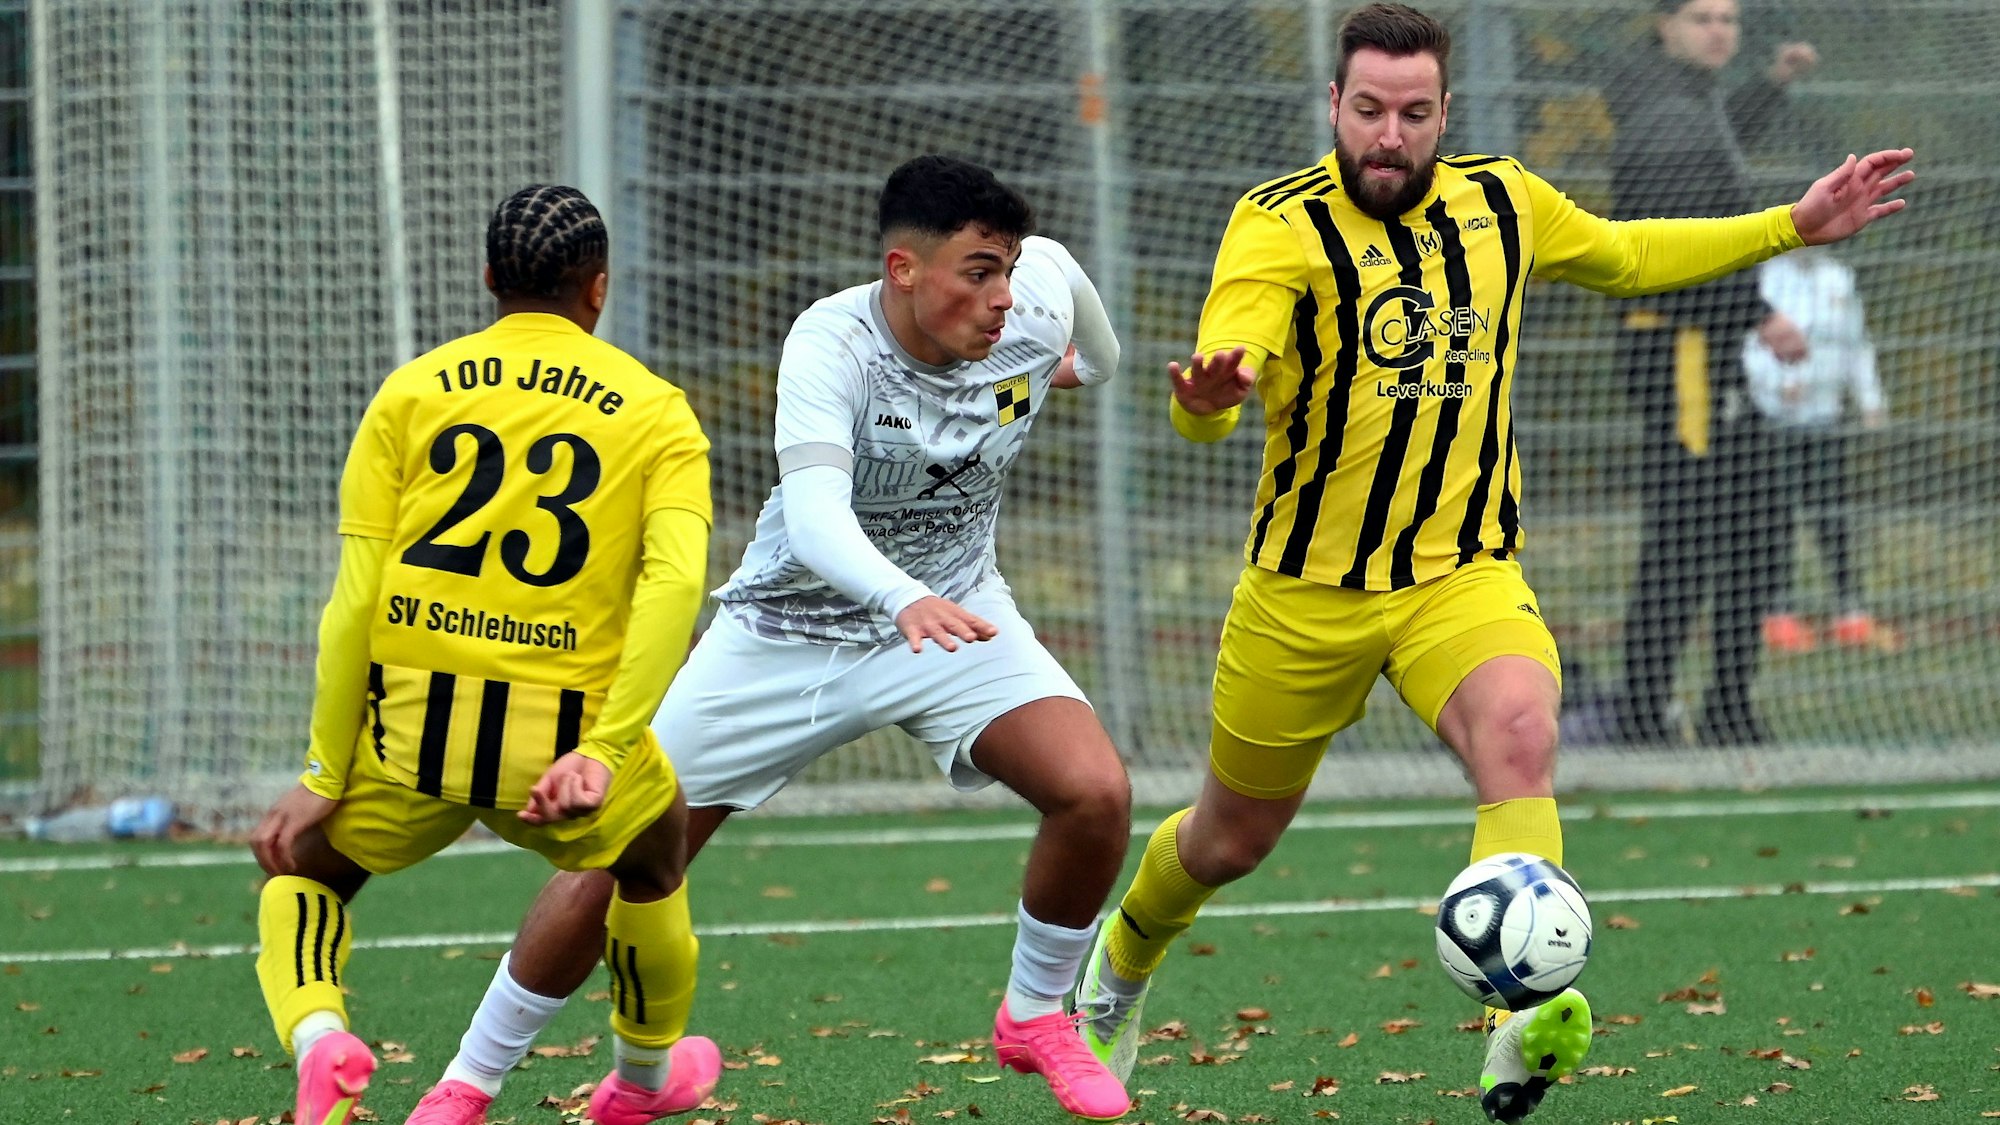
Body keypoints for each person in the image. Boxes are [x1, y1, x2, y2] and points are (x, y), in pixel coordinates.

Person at [1064, 4, 1912, 1124]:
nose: (1387, 134)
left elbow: (1623, 253)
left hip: (1458, 577)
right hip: (1302, 594)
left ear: (1442, 114)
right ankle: (1112, 977)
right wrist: (1209, 407)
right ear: (1333, 105)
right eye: (1367, 110)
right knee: (1228, 839)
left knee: (1518, 733)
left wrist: (1787, 227)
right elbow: (1227, 374)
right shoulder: (1274, 225)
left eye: (1412, 114)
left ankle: (1518, 1021)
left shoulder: (1502, 199)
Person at [407, 154, 1135, 1124]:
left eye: (1005, 270)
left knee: (1094, 792)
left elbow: (1080, 311)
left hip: (956, 614)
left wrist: (1086, 365)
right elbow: (819, 513)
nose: (1001, 297)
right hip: (782, 633)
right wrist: (894, 597)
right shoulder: (830, 341)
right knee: (616, 859)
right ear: (902, 270)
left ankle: (1035, 1016)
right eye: (976, 272)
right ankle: (467, 1084)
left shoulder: (1031, 300)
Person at [245, 185, 719, 1125]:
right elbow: (672, 594)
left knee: (303, 875)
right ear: (599, 288)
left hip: (411, 733)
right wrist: (608, 749)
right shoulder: (657, 412)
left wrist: (322, 768)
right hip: (556, 745)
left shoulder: (411, 392)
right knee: (657, 853)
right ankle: (644, 1079)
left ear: (492, 279)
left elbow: (353, 603)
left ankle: (321, 1041)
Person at [1607, 0, 1821, 745]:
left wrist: (1770, 85)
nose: (1719, 30)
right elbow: (1683, 231)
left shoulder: (1686, 99)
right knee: (1689, 531)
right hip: (1680, 352)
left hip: (1700, 349)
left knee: (1753, 523)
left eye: (1728, 18)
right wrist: (1757, 312)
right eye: (1701, 17)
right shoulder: (1664, 106)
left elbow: (1719, 144)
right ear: (1663, 24)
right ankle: (1649, 709)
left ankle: (1716, 705)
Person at [1745, 246, 1887, 653]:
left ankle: (1850, 610)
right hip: (1777, 420)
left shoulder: (1837, 278)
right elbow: (1751, 343)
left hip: (1824, 418)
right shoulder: (1767, 278)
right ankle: (1778, 612)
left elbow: (1856, 342)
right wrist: (1775, 382)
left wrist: (1870, 399)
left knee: (1831, 514)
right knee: (1778, 515)